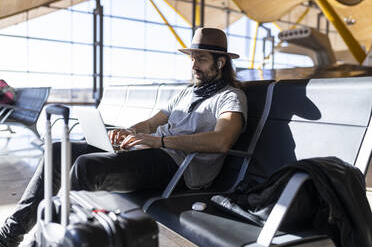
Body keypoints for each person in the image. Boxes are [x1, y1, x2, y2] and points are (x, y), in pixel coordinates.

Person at [0, 27, 247, 247]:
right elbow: (152, 123)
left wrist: (159, 141)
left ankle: (47, 241)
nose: (193, 66)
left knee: (86, 167)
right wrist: (129, 132)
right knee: (58, 150)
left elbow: (221, 141)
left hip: (179, 166)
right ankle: (11, 234)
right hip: (151, 153)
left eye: (201, 60)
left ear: (221, 62)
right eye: (192, 59)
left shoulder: (231, 97)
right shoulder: (186, 93)